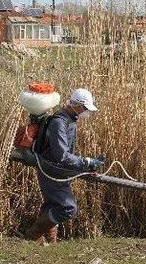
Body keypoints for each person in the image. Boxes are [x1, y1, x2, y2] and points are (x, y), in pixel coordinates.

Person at [25, 88, 105, 244]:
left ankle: (49, 241)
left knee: (53, 205)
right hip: (51, 170)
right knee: (68, 208)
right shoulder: (59, 122)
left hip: (57, 171)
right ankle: (33, 234)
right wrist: (86, 162)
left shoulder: (70, 119)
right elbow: (61, 155)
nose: (87, 113)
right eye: (86, 109)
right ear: (76, 105)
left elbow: (66, 154)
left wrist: (86, 166)